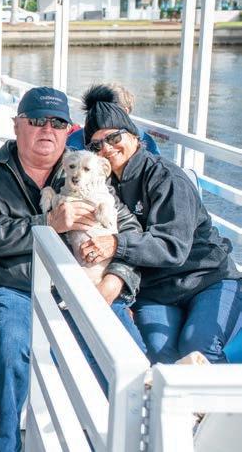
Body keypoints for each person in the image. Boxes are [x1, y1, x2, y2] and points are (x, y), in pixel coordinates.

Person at [0, 87, 144, 452]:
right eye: (37, 120)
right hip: (14, 286)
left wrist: (117, 277)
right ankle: (6, 444)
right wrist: (47, 223)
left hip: (83, 285)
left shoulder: (84, 167)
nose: (47, 129)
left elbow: (130, 230)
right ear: (17, 125)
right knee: (9, 349)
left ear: (68, 130)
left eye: (57, 123)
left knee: (128, 357)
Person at [82, 88, 242, 364]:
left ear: (134, 136)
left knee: (198, 348)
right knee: (158, 354)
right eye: (96, 145)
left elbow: (172, 247)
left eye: (114, 137)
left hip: (208, 278)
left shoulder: (167, 179)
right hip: (157, 289)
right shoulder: (102, 186)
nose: (107, 148)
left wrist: (117, 244)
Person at [68, 83, 160, 155]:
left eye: (109, 109)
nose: (101, 111)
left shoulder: (145, 140)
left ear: (124, 111)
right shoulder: (75, 139)